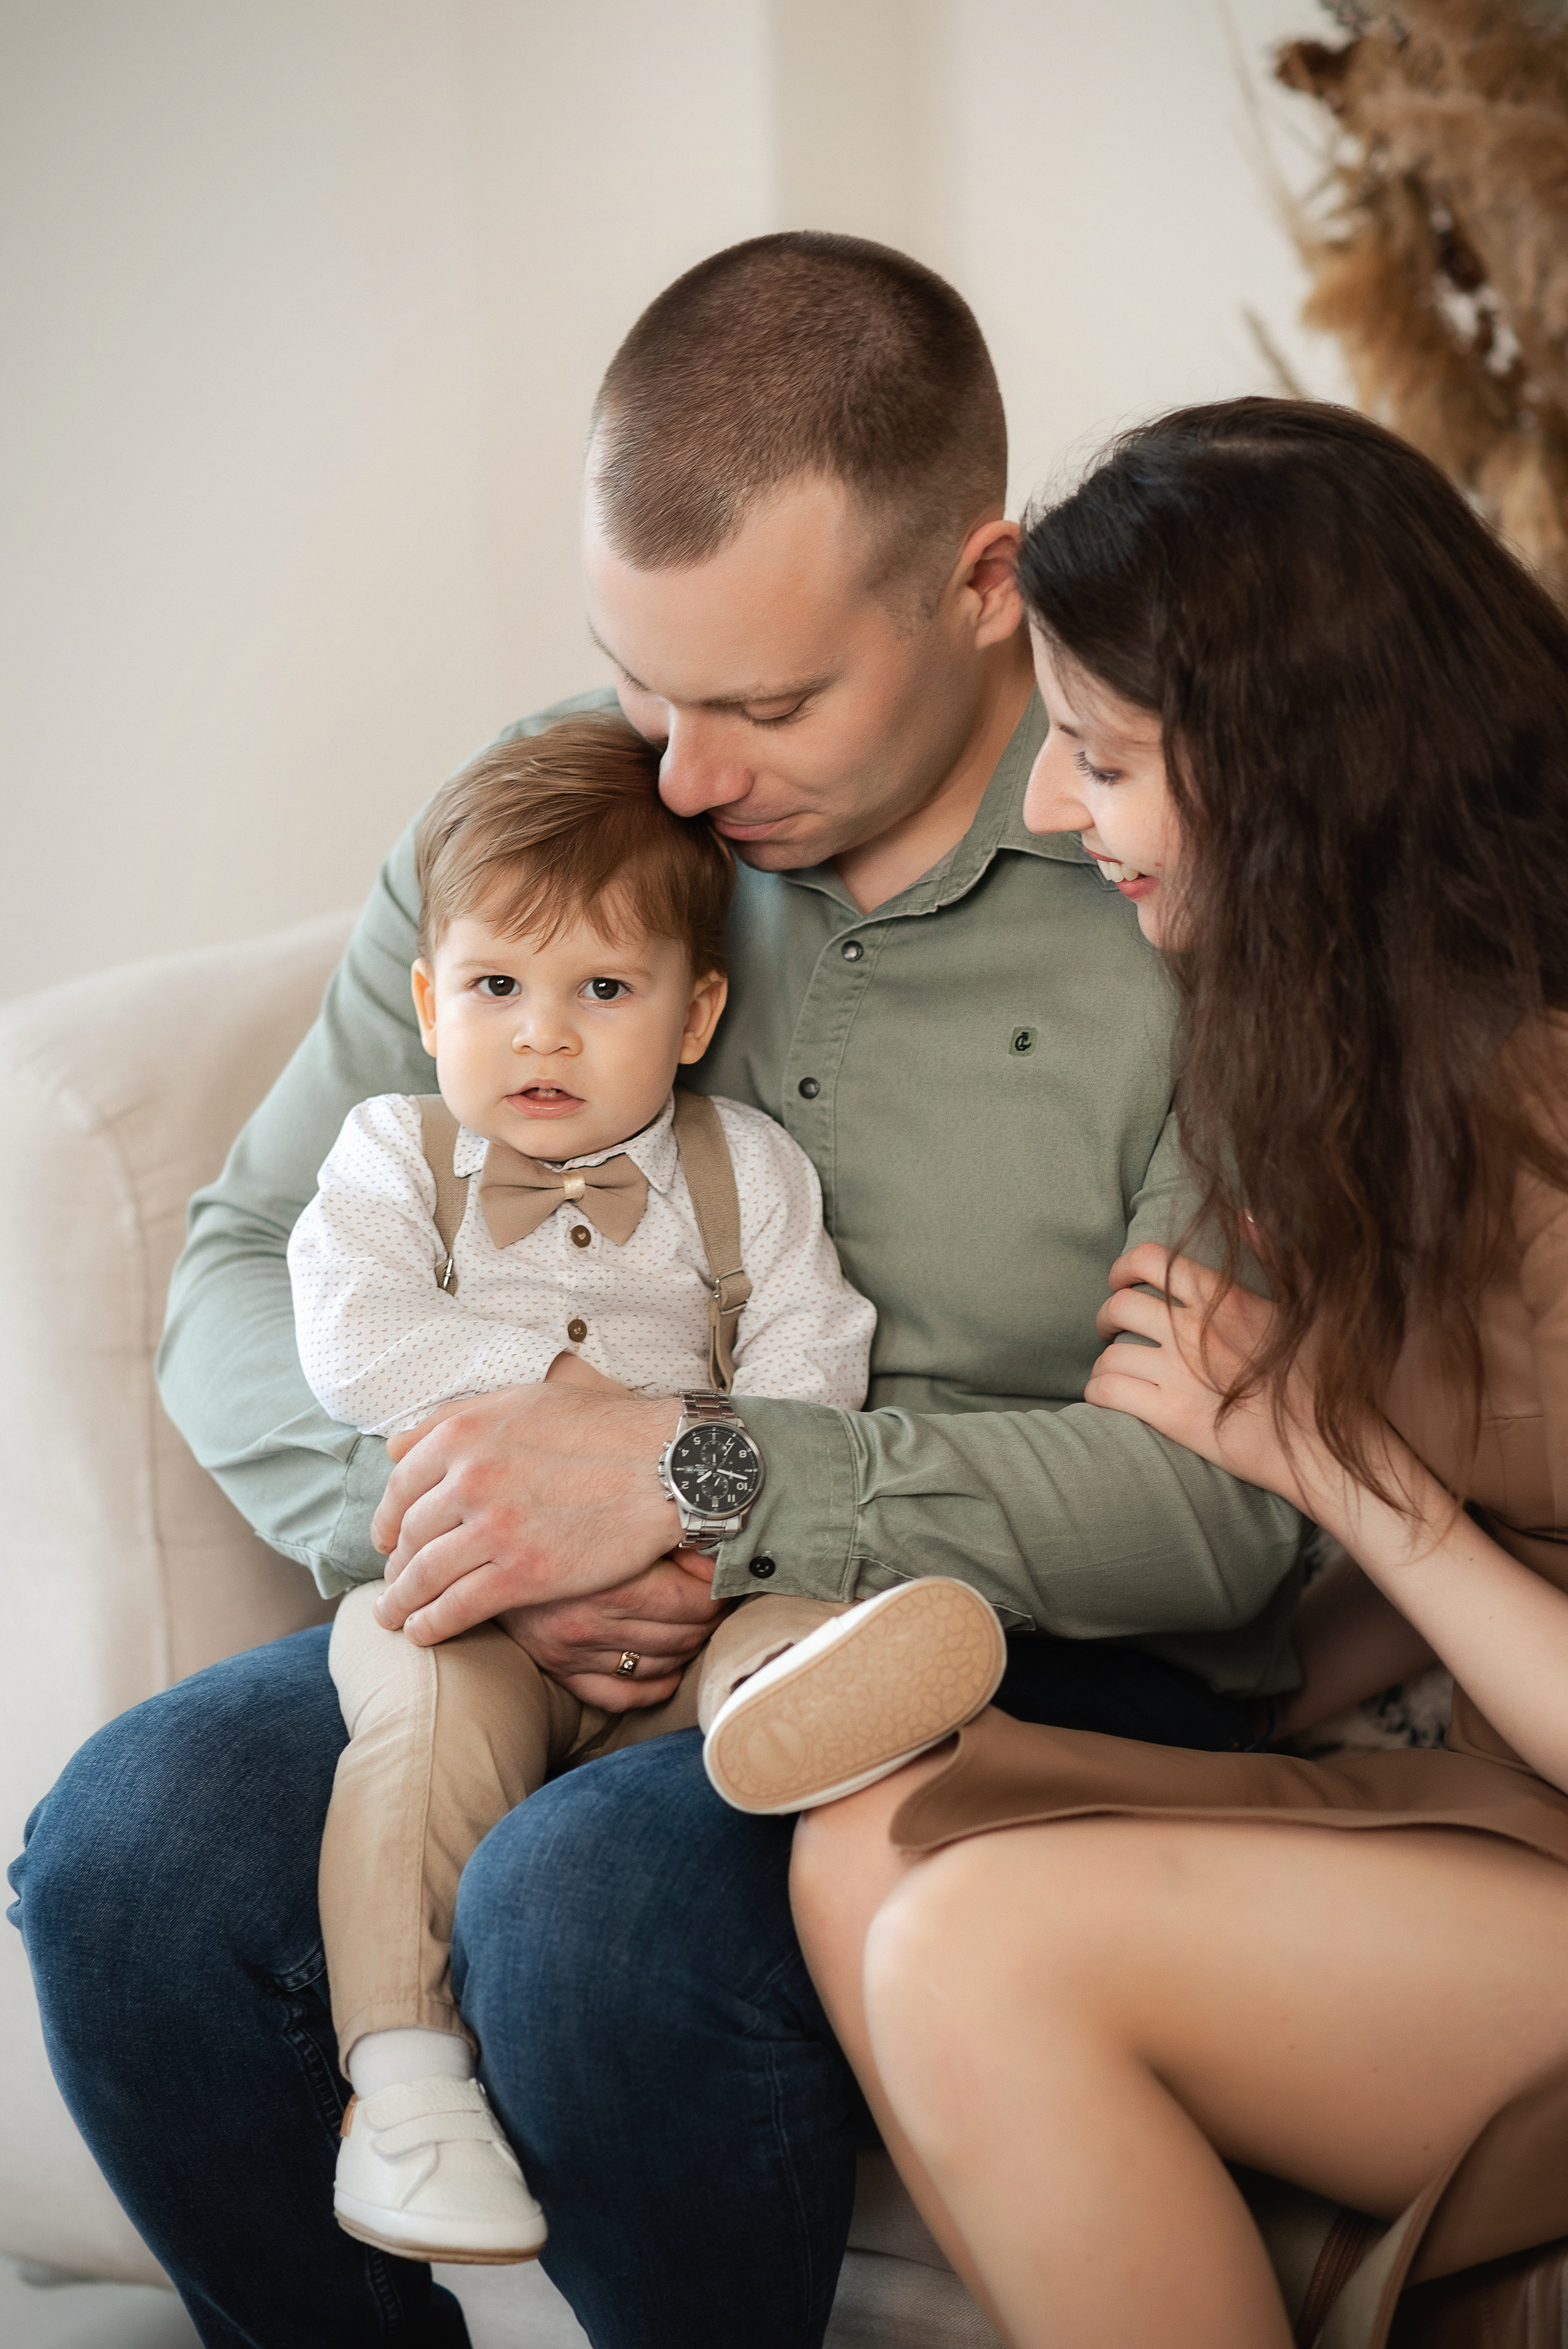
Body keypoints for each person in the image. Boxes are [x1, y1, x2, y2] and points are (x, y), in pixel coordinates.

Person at [9, 236, 1305, 2349]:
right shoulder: (555, 820)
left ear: (983, 583)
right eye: (641, 679)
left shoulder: (1172, 862)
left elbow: (1228, 1516)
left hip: (1017, 1634)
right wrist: (485, 1529)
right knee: (126, 1859)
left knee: (588, 1908)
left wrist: (695, 1479)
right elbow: (246, 1264)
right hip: (520, 1600)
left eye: (767, 703)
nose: (682, 780)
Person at [790, 396, 1568, 2349]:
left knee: (980, 1939)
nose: (1051, 808)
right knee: (871, 1838)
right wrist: (1220, 1672)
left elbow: (1434, 1505)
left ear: (1305, 777)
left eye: (1106, 756)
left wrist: (1331, 1464)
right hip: (1489, 1779)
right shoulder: (1345, 1062)